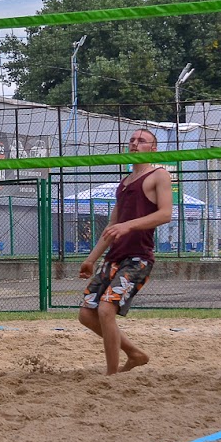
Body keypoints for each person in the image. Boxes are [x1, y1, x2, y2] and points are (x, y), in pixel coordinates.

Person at [78, 128, 172, 375]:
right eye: (131, 140)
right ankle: (135, 353)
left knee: (105, 309)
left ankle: (111, 375)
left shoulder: (159, 175)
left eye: (141, 140)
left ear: (153, 148)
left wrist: (128, 225)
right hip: (114, 258)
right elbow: (112, 226)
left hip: (138, 258)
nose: (134, 143)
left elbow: (165, 214)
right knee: (86, 315)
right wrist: (91, 259)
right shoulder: (124, 183)